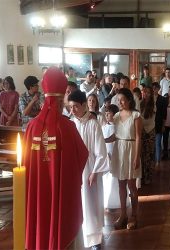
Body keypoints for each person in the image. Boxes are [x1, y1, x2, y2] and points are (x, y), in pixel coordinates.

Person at [24, 67, 88, 250]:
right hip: (61, 196)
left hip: (37, 193)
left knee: (39, 222)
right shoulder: (67, 127)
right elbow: (81, 156)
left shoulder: (31, 127)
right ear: (61, 100)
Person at [68, 90, 109, 250]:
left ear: (84, 105)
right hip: (75, 170)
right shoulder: (71, 124)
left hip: (90, 168)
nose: (72, 111)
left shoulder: (93, 124)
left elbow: (101, 152)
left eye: (76, 107)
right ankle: (79, 237)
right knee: (78, 205)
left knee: (91, 204)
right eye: (70, 107)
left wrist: (94, 172)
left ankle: (95, 240)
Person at [110, 88, 142, 230]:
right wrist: (102, 139)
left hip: (131, 149)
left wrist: (136, 157)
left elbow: (139, 137)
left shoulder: (136, 115)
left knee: (132, 185)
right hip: (119, 150)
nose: (120, 102)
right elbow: (115, 135)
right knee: (121, 185)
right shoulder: (116, 115)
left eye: (122, 100)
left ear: (129, 100)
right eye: (118, 100)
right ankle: (123, 215)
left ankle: (133, 215)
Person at [140, 86, 156, 184]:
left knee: (149, 155)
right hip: (141, 131)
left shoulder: (153, 105)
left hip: (150, 131)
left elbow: (148, 120)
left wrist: (139, 120)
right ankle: (141, 176)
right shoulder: (140, 103)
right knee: (141, 154)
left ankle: (148, 176)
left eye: (148, 93)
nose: (146, 94)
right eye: (144, 92)